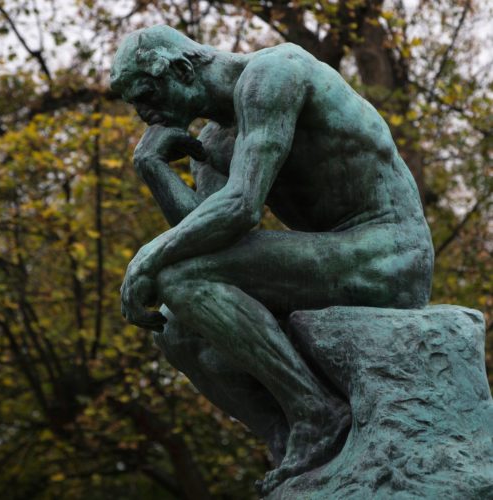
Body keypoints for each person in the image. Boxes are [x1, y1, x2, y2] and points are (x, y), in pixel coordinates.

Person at [110, 25, 434, 493]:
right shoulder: (213, 144)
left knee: (179, 276)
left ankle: (316, 413)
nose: (144, 114)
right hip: (337, 257)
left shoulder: (272, 75)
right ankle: (287, 439)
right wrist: (154, 168)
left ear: (181, 69)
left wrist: (149, 256)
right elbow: (210, 232)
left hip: (390, 252)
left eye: (146, 94)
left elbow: (241, 209)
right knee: (175, 328)